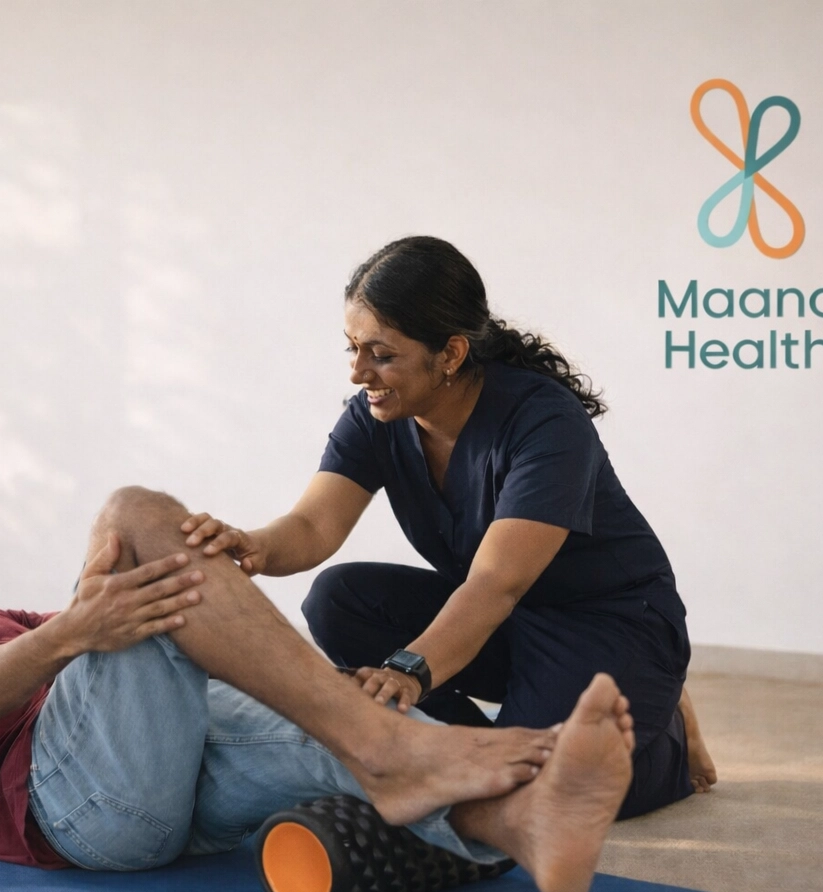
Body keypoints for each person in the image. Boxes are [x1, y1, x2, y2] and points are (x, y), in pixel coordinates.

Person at [0, 485, 637, 892]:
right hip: (68, 804)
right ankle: (385, 743)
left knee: (320, 731)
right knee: (132, 516)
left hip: (156, 777)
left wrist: (306, 689)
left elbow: (127, 643)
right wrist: (79, 622)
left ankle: (521, 823)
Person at [178, 237, 716, 820]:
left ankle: (663, 731)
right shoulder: (377, 415)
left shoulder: (545, 423)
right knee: (339, 600)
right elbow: (312, 524)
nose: (358, 372)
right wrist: (253, 545)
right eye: (352, 348)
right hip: (506, 624)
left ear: (452, 353)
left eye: (381, 354)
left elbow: (495, 583)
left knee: (541, 795)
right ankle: (465, 746)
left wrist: (409, 670)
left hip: (608, 625)